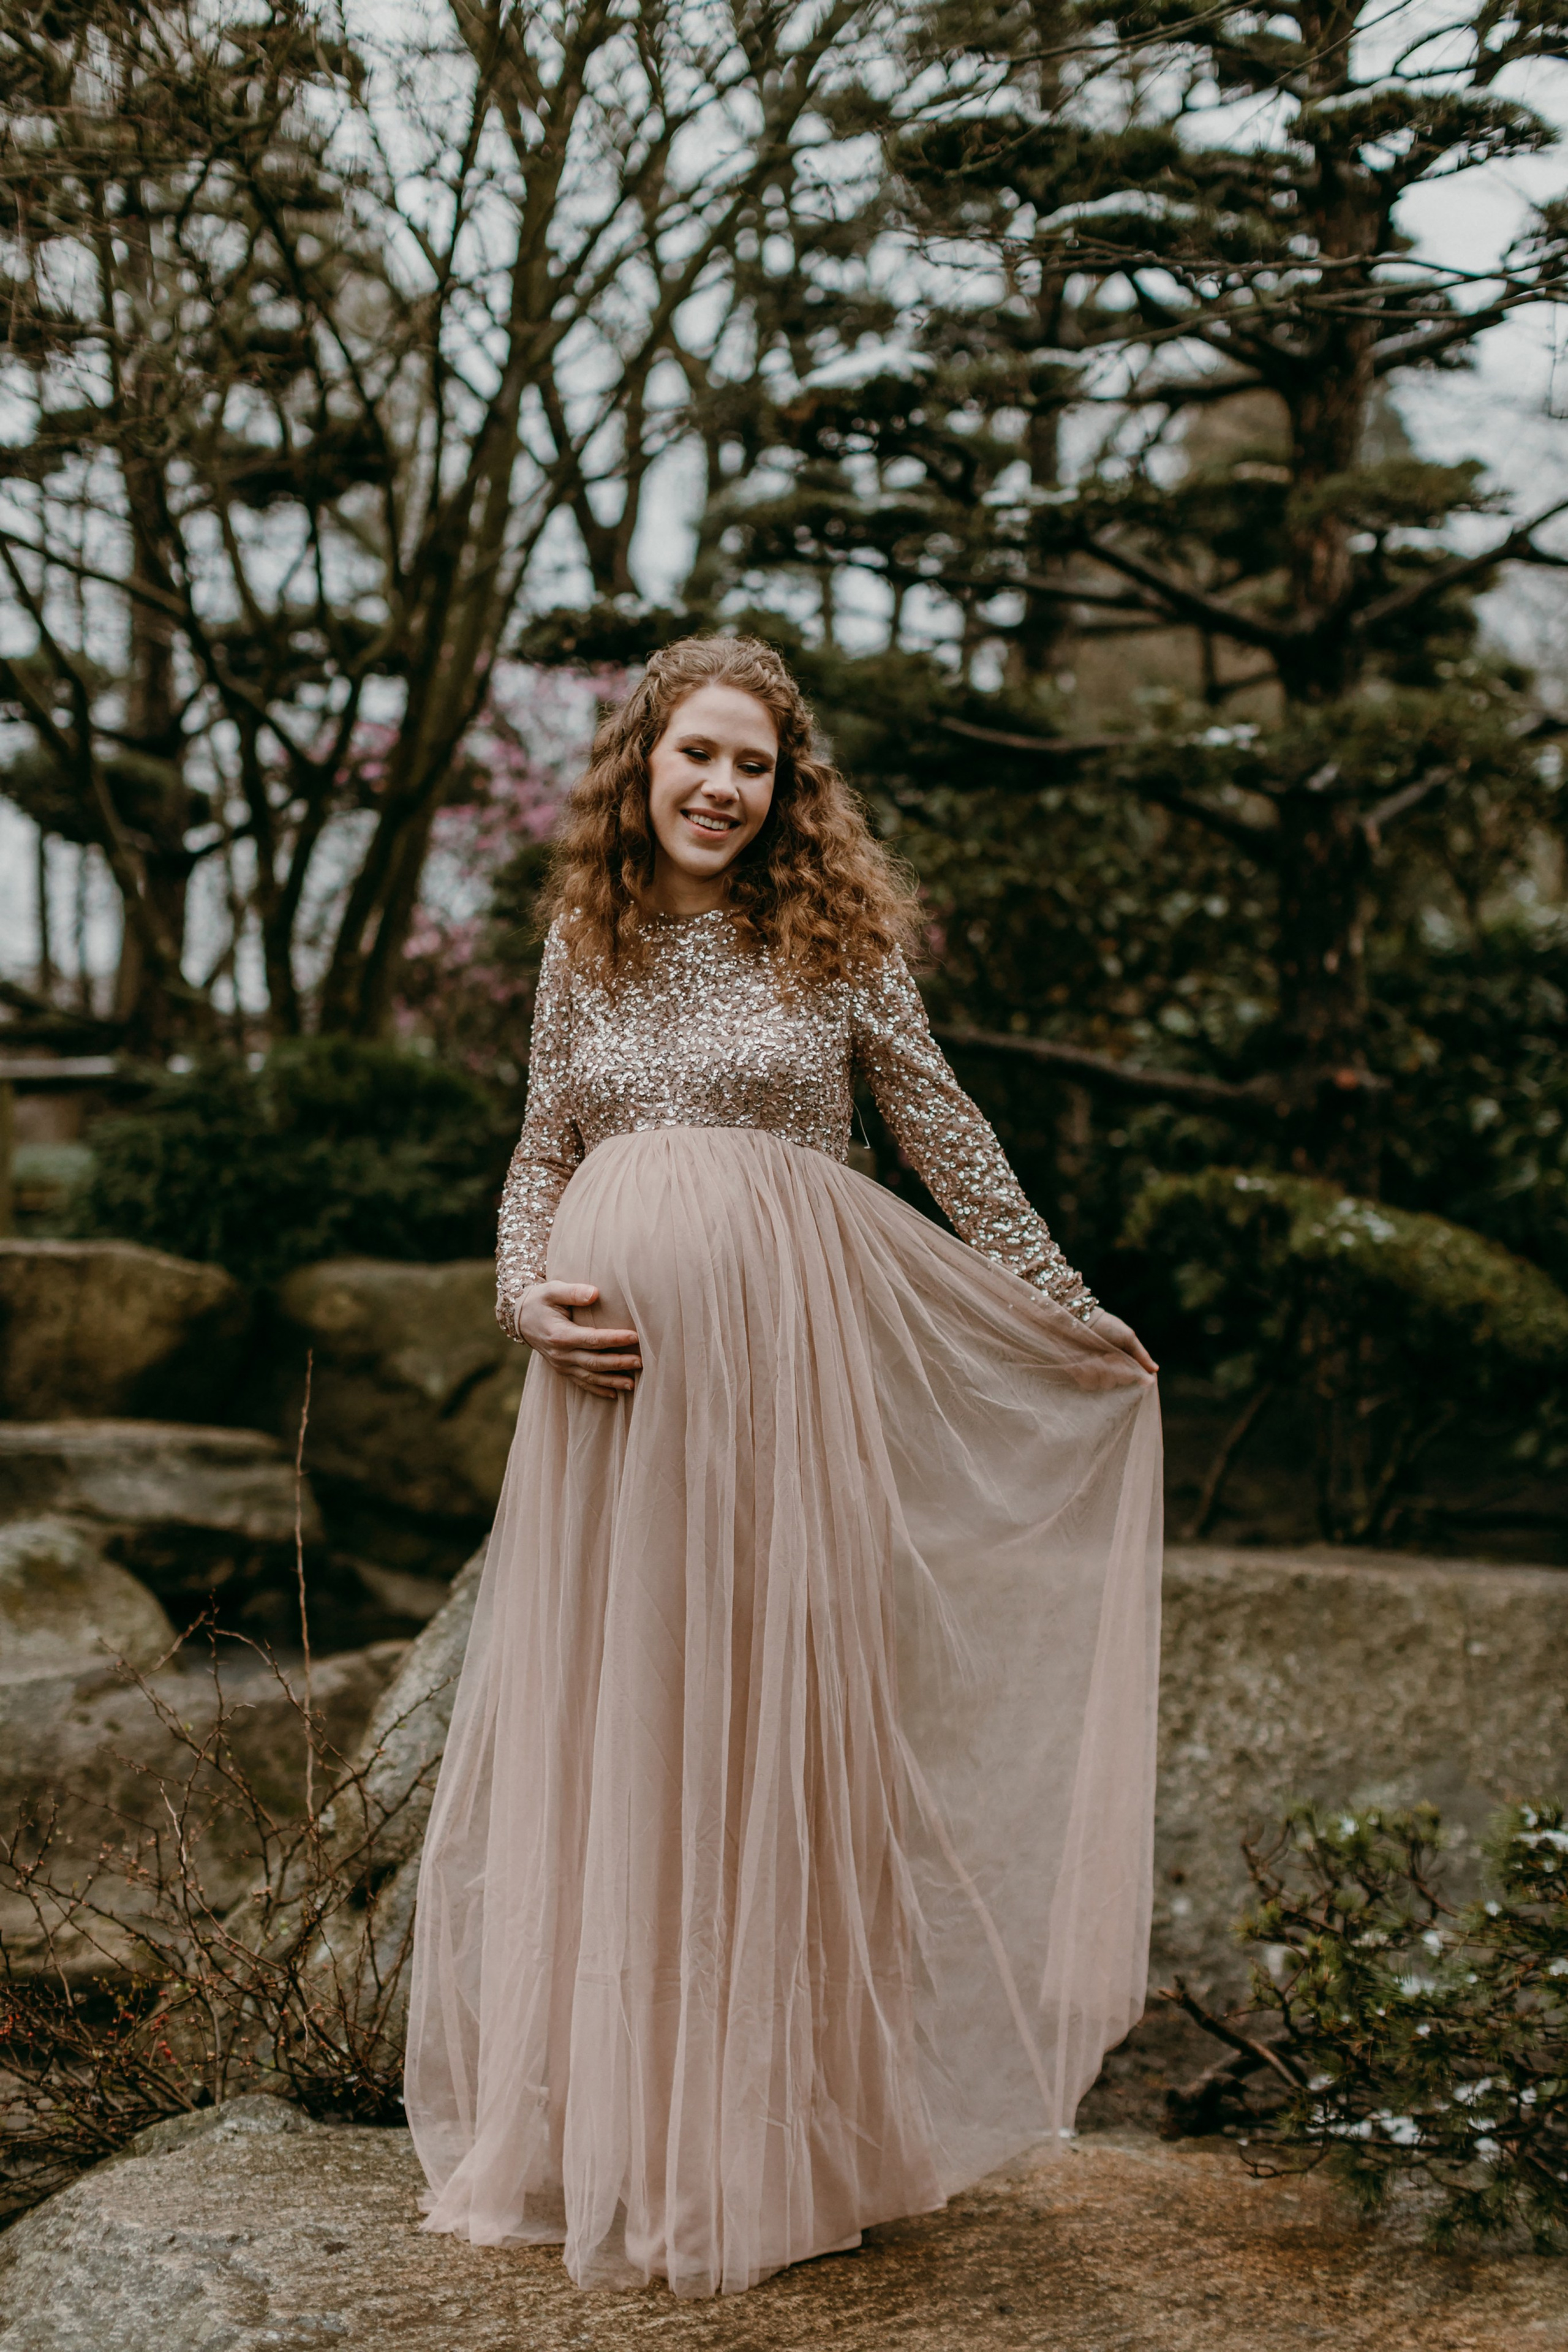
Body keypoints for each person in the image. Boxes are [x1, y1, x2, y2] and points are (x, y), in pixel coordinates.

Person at [405, 636, 1163, 2300]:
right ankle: (600, 2130)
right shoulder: (584, 940)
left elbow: (941, 1127)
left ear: (786, 789)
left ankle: (770, 2142)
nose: (721, 787)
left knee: (765, 1725)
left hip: (778, 1404)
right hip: (609, 1405)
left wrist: (1067, 1303)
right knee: (623, 1733)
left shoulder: (834, 940)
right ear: (642, 763)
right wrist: (525, 1294)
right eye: (697, 756)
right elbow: (543, 1151)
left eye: (753, 765)